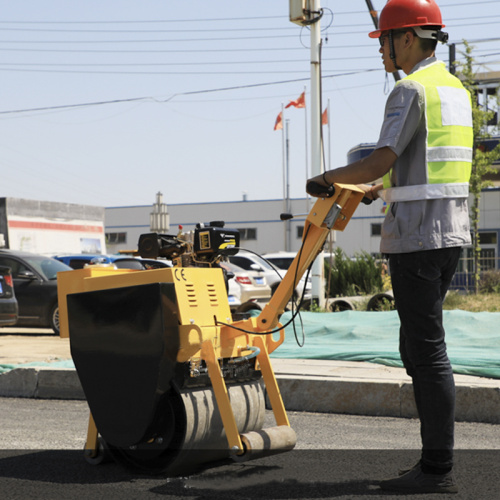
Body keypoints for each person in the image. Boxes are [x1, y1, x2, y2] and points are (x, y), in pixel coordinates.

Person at [306, 0, 473, 494]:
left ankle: (436, 469)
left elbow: (379, 159)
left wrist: (327, 177)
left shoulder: (410, 88)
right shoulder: (455, 90)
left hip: (417, 238)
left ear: (404, 39)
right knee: (418, 347)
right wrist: (387, 188)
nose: (381, 51)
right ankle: (433, 462)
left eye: (383, 40)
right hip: (450, 234)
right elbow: (429, 167)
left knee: (426, 352)